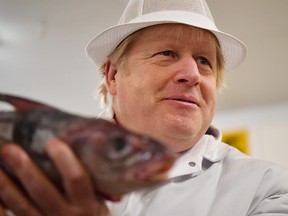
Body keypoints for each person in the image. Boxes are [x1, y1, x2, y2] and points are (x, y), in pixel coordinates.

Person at [0, 0, 287, 215]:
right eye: (167, 53)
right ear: (113, 75)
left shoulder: (267, 189)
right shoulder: (28, 158)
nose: (193, 73)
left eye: (204, 61)